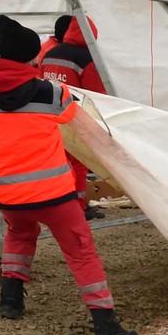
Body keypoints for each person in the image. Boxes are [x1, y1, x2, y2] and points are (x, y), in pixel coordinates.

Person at [0, 16, 137, 335]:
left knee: (19, 234)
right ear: (34, 56)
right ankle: (105, 325)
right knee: (80, 251)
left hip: (5, 193)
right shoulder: (50, 91)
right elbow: (73, 117)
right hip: (53, 196)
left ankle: (10, 301)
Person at [36, 14, 107, 217]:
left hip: (51, 117)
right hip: (76, 118)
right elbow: (96, 94)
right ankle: (79, 207)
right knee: (79, 164)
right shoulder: (87, 59)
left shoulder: (50, 54)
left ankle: (59, 203)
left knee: (58, 163)